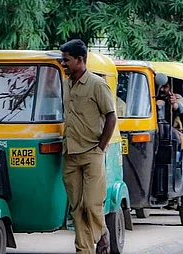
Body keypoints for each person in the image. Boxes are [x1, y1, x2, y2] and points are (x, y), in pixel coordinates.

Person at [59, 39, 117, 254]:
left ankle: (102, 232)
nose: (63, 64)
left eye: (66, 60)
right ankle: (84, 250)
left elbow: (111, 117)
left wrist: (101, 147)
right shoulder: (66, 85)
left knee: (92, 204)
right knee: (77, 208)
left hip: (92, 152)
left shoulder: (97, 84)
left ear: (80, 60)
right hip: (70, 154)